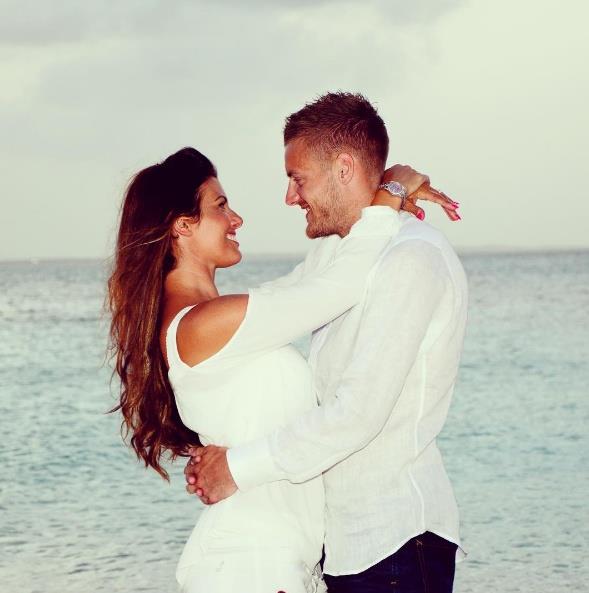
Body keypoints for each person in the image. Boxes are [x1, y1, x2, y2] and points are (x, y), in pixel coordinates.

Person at [107, 140, 455, 591]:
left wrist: (379, 191)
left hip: (280, 561)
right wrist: (389, 194)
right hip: (252, 563)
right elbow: (338, 286)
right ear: (182, 226)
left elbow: (324, 269)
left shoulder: (221, 318)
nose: (236, 219)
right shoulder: (204, 324)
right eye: (220, 206)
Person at [185, 92, 468, 593]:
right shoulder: (338, 256)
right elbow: (271, 307)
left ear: (343, 168)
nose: (290, 197)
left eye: (298, 179)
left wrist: (237, 468)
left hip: (396, 543)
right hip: (343, 548)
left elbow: (357, 414)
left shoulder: (409, 258)